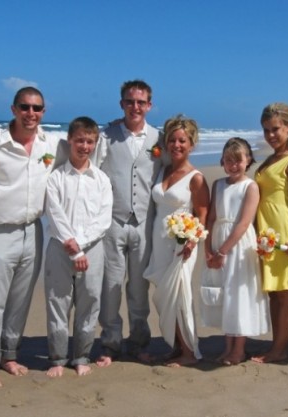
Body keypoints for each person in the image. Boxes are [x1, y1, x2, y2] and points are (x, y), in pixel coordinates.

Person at [0, 87, 60, 388]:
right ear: (13, 109)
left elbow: (85, 147)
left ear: (43, 112)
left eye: (37, 108)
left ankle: (8, 354)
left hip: (32, 229)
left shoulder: (50, 143)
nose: (31, 114)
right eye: (25, 107)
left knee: (21, 299)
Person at [91, 80, 163, 366]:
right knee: (110, 285)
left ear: (149, 105)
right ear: (122, 104)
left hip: (145, 223)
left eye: (141, 102)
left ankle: (139, 341)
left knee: (138, 288)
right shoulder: (105, 136)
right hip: (113, 222)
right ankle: (110, 342)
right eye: (130, 101)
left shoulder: (159, 138)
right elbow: (92, 175)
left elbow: (172, 172)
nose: (135, 107)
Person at [44, 117, 113, 376]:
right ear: (69, 140)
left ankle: (82, 356)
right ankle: (58, 358)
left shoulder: (102, 179)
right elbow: (55, 213)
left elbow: (103, 218)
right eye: (79, 140)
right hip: (59, 246)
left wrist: (81, 247)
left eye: (89, 141)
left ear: (95, 144)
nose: (84, 146)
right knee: (57, 301)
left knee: (89, 301)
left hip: (92, 247)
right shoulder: (56, 177)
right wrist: (72, 247)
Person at [143, 115, 210, 366]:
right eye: (172, 140)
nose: (177, 145)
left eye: (182, 140)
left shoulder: (196, 177)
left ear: (191, 144)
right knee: (164, 295)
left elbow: (203, 213)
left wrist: (192, 241)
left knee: (180, 295)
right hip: (159, 242)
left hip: (182, 244)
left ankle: (190, 352)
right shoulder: (163, 169)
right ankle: (175, 345)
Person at [201, 138, 268, 365]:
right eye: (229, 160)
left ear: (248, 160)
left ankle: (239, 349)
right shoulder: (218, 184)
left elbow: (243, 222)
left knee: (239, 294)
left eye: (238, 160)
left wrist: (223, 250)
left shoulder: (250, 186)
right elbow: (211, 218)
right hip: (218, 237)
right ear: (222, 161)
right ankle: (227, 346)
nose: (233, 165)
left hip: (238, 245)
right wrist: (208, 248)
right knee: (224, 293)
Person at [251, 103, 288, 364]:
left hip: (283, 231)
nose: (271, 135)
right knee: (274, 291)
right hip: (266, 232)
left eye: (275, 129)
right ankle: (277, 343)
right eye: (266, 130)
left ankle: (280, 349)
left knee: (285, 292)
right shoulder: (271, 158)